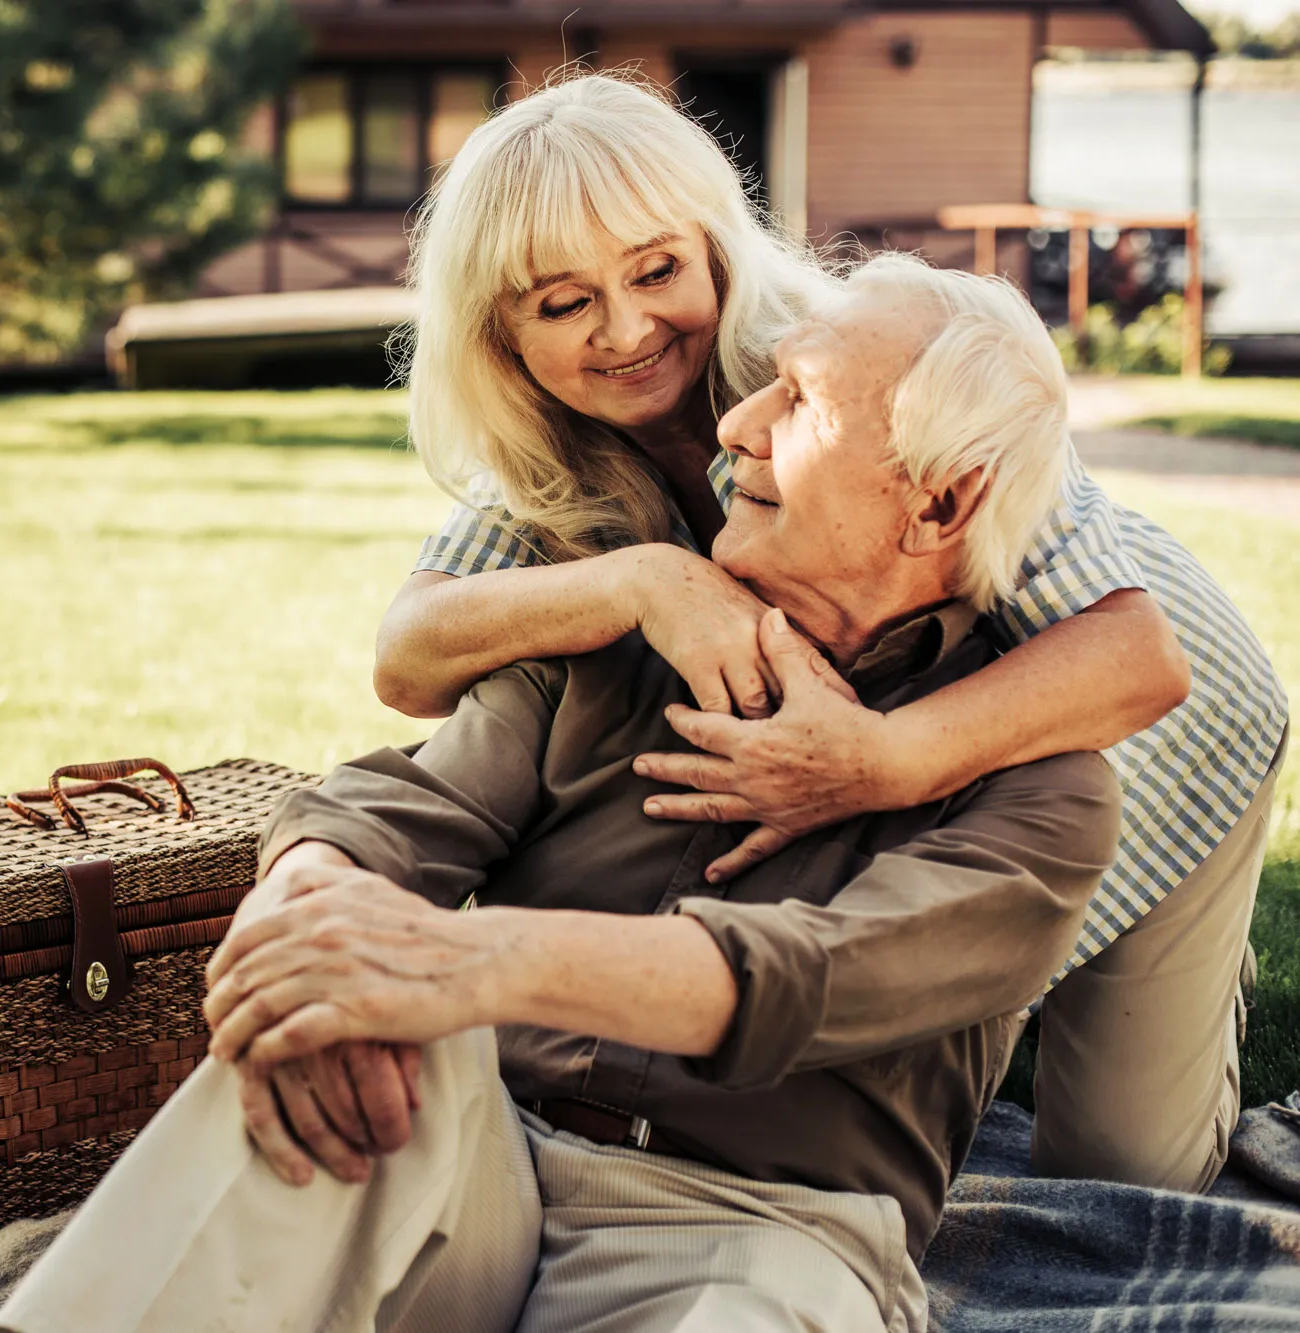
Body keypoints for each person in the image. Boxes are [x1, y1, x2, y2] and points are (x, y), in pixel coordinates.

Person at [0, 256, 1117, 1333]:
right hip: (490, 1162)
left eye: (800, 399)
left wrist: (462, 961)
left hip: (762, 1234)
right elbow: (387, 815)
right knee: (344, 1022)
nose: (735, 425)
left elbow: (812, 970)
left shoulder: (1041, 795)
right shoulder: (613, 640)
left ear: (936, 503)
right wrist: (306, 917)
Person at [375, 73, 1286, 1190]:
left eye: (656, 271)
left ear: (711, 248)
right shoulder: (549, 459)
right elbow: (409, 657)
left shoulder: (867, 359)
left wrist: (876, 764)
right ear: (500, 333)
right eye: (564, 305)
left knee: (1116, 1177)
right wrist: (642, 580)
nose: (625, 329)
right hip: (959, 761)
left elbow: (1137, 659)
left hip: (1159, 735)